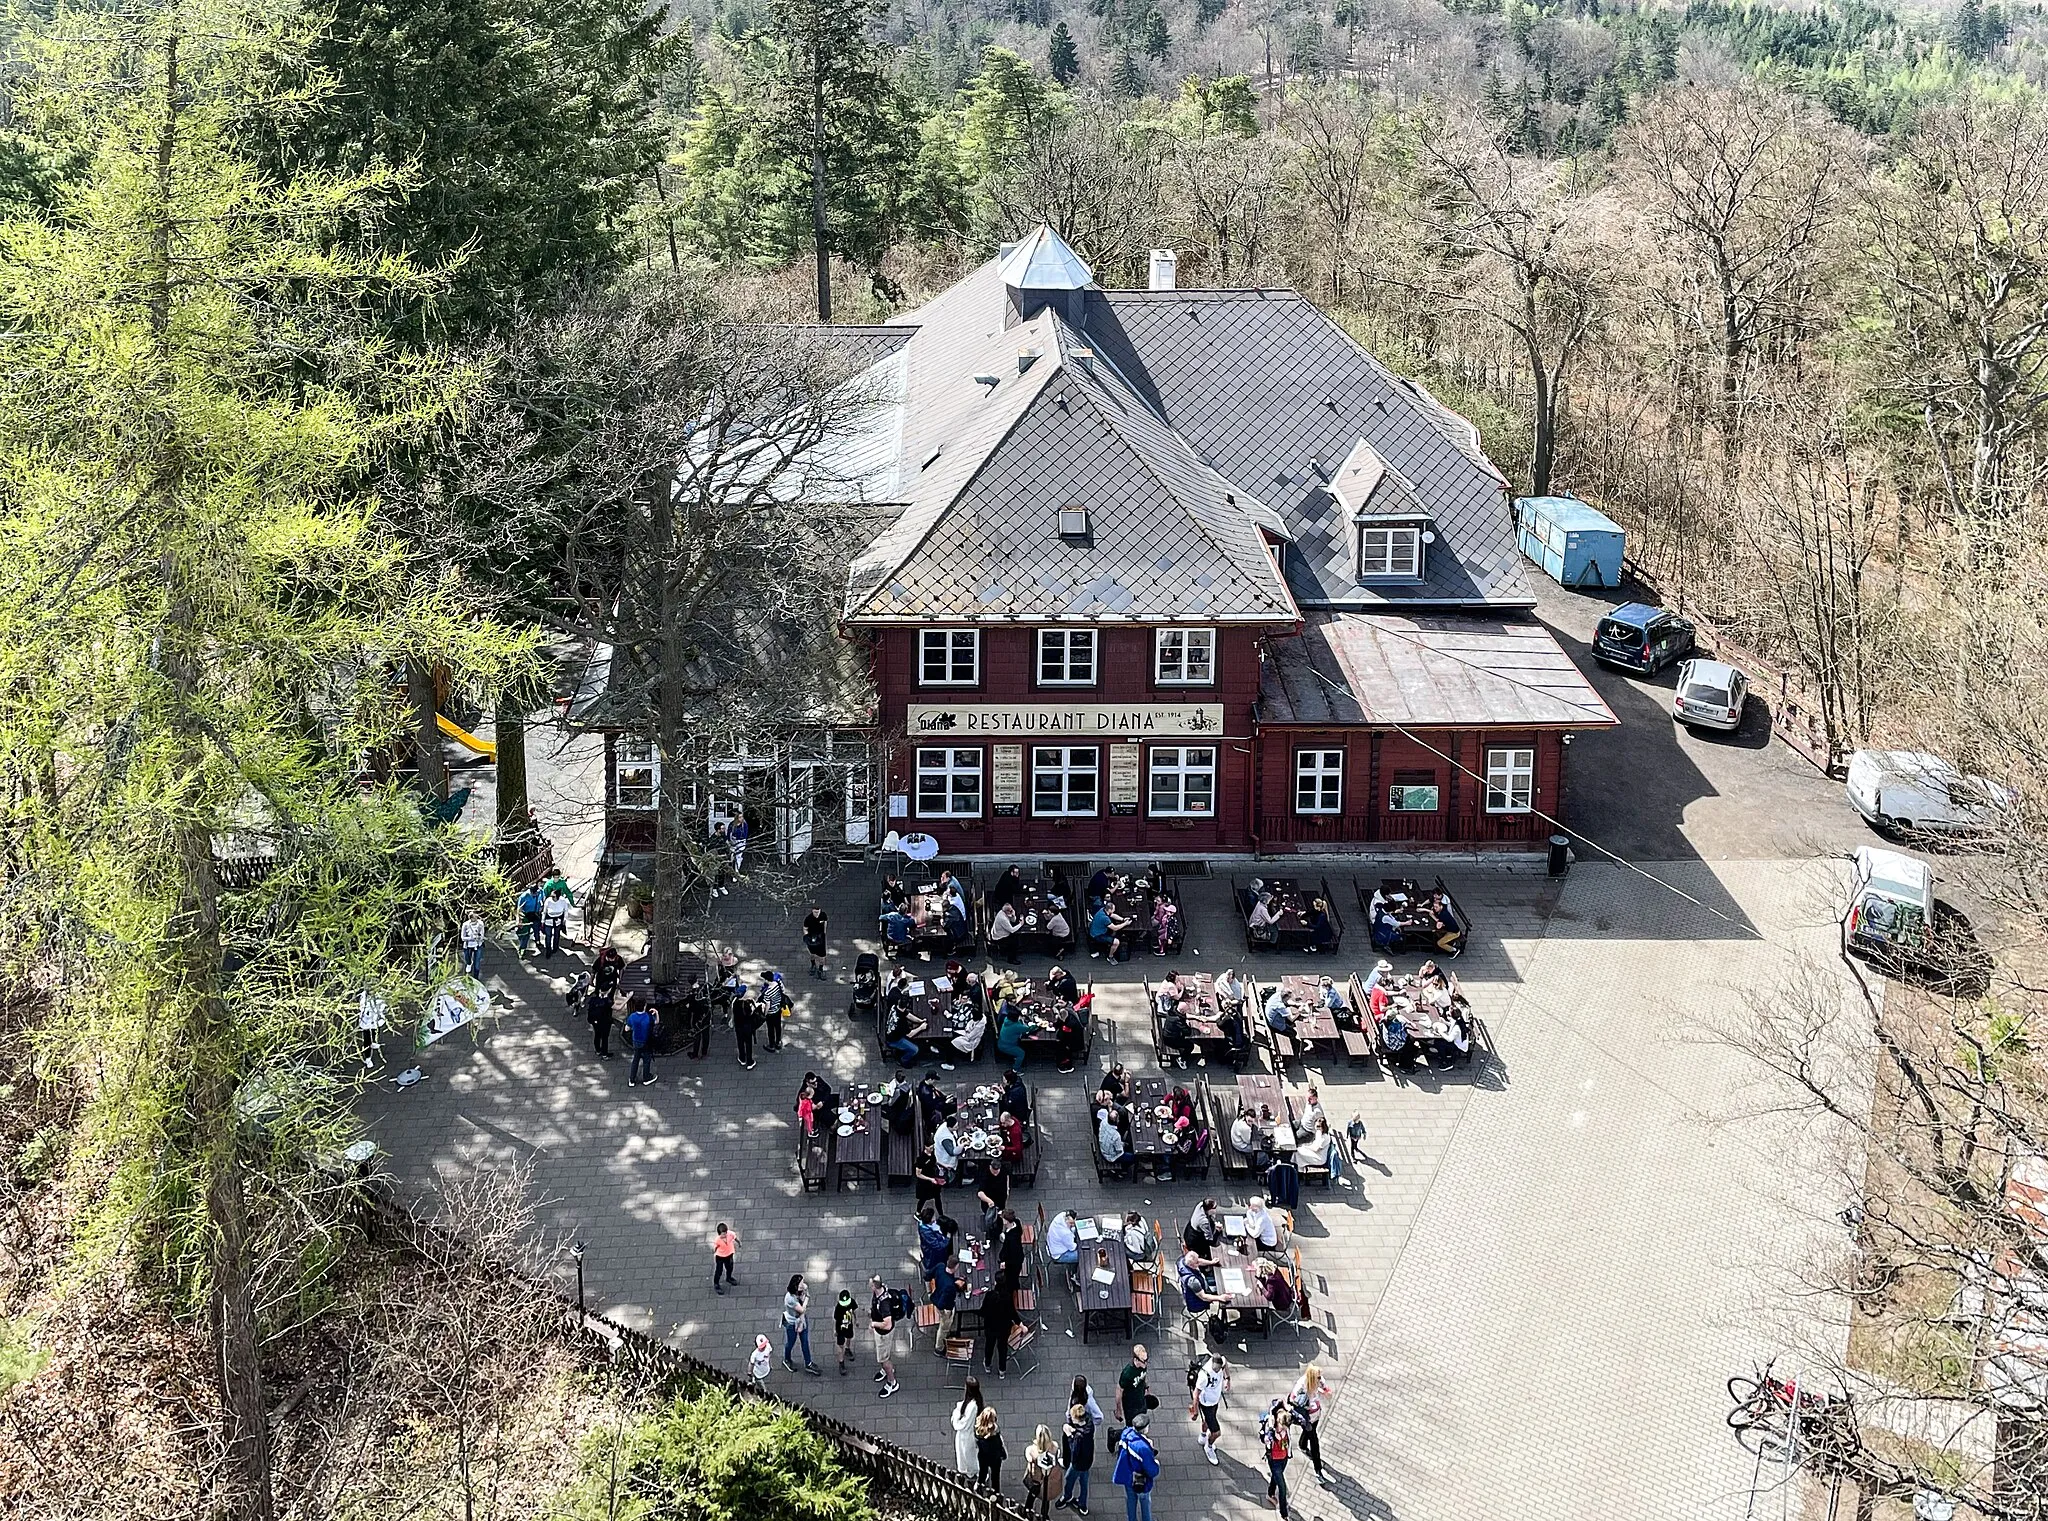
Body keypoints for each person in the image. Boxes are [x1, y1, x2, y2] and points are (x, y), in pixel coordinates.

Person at [1111, 1415, 1159, 1521]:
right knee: (1145, 1502)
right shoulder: (1143, 1448)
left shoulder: (1126, 1433)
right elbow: (1151, 1469)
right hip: (1140, 1479)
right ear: (1144, 1428)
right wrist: (1156, 1464)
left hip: (1128, 1476)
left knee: (1131, 1500)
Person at [1289, 1366, 1328, 1484]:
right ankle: (1318, 1470)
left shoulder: (1319, 1381)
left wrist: (1325, 1392)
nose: (1320, 1379)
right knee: (1314, 1441)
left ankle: (1302, 1445)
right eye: (1318, 1377)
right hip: (1307, 1418)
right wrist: (1302, 1406)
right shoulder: (1302, 1385)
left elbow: (1324, 1388)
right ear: (1312, 1378)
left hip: (1316, 1414)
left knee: (1309, 1432)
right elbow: (1292, 1398)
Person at [1189, 1354, 1228, 1466]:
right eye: (1216, 1369)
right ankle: (1209, 1447)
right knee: (1216, 1432)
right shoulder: (1204, 1375)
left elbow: (1226, 1365)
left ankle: (1202, 1435)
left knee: (1208, 1420)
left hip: (1215, 1401)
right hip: (1206, 1404)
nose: (1218, 1371)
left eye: (1219, 1369)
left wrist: (1227, 1379)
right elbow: (1196, 1394)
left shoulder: (1221, 1362)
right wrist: (1195, 1411)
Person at [1058, 1400, 1096, 1514]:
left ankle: (1067, 1496)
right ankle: (1082, 1504)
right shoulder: (1090, 1424)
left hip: (1078, 1463)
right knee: (1084, 1482)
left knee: (1069, 1479)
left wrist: (1070, 1435)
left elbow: (1074, 1453)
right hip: (1088, 1460)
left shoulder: (1078, 1438)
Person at [1259, 1401, 1294, 1519]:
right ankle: (1284, 1513)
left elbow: (1280, 1402)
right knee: (1283, 1487)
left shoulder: (1286, 1425)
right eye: (1285, 1426)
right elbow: (1266, 1441)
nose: (1286, 1428)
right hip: (1274, 1460)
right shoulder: (1272, 1430)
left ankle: (1270, 1494)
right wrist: (1269, 1436)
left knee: (1275, 1477)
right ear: (1279, 1422)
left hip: (1284, 1458)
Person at [868, 1275, 901, 1398]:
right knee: (883, 1357)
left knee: (884, 1359)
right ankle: (885, 1370)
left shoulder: (884, 1304)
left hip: (884, 1335)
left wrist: (873, 1324)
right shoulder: (879, 1292)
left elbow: (887, 1325)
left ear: (873, 1286)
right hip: (880, 1332)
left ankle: (892, 1382)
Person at [782, 1275, 822, 1374]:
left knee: (805, 1342)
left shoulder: (799, 1291)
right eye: (801, 1283)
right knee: (791, 1342)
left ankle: (808, 1363)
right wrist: (807, 1297)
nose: (803, 1285)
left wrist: (805, 1291)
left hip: (801, 1320)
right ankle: (787, 1359)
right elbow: (802, 1309)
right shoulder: (790, 1299)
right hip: (792, 1323)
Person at [981, 1270, 1016, 1377]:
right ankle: (1002, 1370)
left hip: (991, 1326)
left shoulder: (990, 1296)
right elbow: (1012, 1313)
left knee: (989, 1345)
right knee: (1002, 1348)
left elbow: (983, 1311)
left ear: (996, 1282)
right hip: (1004, 1328)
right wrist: (1020, 1323)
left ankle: (987, 1365)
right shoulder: (1007, 1297)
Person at [1025, 1424, 1061, 1517]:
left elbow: (1028, 1457)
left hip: (1036, 1478)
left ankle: (1027, 1510)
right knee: (1046, 1499)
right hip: (1051, 1478)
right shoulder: (1055, 1447)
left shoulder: (1032, 1450)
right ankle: (1044, 1515)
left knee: (1032, 1494)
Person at [1298, 1116, 1348, 1183]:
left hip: (1319, 1157)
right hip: (1316, 1153)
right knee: (1299, 1150)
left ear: (1323, 1127)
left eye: (1318, 1126)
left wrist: (1306, 1146)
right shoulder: (1320, 1132)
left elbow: (1316, 1149)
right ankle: (1300, 1170)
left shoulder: (1324, 1138)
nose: (1316, 1128)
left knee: (1299, 1152)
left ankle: (1299, 1172)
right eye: (1316, 1125)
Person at [953, 1377, 986, 1473]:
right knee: (969, 1454)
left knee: (968, 1455)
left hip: (967, 1436)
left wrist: (955, 1416)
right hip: (969, 1434)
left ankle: (971, 1472)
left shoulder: (972, 1407)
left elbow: (963, 1424)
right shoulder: (975, 1402)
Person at [1116, 1344, 1156, 1422]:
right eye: (1144, 1361)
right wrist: (1119, 1409)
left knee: (1142, 1419)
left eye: (1147, 1360)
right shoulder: (1127, 1373)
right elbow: (1119, 1390)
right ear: (1136, 1360)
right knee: (1132, 1423)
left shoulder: (1143, 1366)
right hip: (1130, 1404)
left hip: (1141, 1399)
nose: (1146, 1364)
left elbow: (1144, 1377)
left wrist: (1147, 1388)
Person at [625, 995, 656, 1086]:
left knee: (636, 1060)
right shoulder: (648, 1017)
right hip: (646, 1042)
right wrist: (656, 1013)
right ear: (645, 1006)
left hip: (635, 1041)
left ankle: (632, 1079)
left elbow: (627, 1028)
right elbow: (656, 1022)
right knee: (646, 1060)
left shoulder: (632, 1016)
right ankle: (646, 1078)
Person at [975, 1406, 1007, 1490]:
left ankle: (979, 1489)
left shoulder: (979, 1431)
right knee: (995, 1477)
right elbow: (1000, 1444)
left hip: (983, 1456)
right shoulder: (995, 1432)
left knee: (982, 1473)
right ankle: (995, 1495)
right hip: (995, 1458)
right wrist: (1003, 1454)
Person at [884, 1002, 923, 1067]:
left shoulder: (895, 1006)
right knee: (915, 1049)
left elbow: (908, 1015)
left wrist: (920, 1021)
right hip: (893, 1040)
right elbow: (909, 1035)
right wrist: (921, 1028)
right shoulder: (901, 1022)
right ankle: (903, 1060)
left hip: (891, 1033)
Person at [357, 989, 387, 1069]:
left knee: (374, 1031)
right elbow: (362, 1007)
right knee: (367, 1038)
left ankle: (373, 1043)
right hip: (366, 1019)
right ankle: (368, 1058)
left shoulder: (378, 994)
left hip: (375, 1018)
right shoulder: (363, 996)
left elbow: (382, 1004)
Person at [733, 993, 763, 1070]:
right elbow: (751, 1015)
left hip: (738, 1027)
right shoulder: (747, 1005)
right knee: (748, 1044)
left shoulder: (735, 1003)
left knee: (740, 1042)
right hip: (747, 1029)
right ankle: (750, 1062)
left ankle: (742, 1058)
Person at [539, 885, 571, 956]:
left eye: (553, 896)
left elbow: (566, 910)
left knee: (557, 935)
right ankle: (548, 950)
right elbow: (544, 911)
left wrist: (565, 920)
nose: (552, 898)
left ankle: (555, 948)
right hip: (548, 921)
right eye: (551, 896)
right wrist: (542, 922)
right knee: (548, 936)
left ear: (558, 896)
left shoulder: (563, 901)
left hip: (558, 921)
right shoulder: (548, 901)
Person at [1046, 1209, 1079, 1278]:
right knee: (1082, 1256)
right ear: (1066, 1220)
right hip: (1059, 1255)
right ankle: (1075, 1275)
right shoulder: (1065, 1233)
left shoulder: (1061, 1215)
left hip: (1052, 1246)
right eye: (1071, 1223)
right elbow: (1072, 1247)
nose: (1073, 1225)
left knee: (1075, 1230)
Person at [833, 1288, 858, 1374]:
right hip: (840, 1329)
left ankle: (847, 1349)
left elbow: (854, 1311)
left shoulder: (852, 1302)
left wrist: (856, 1320)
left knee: (849, 1338)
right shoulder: (838, 1308)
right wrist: (836, 1331)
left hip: (849, 1326)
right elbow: (836, 1320)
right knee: (840, 1346)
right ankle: (841, 1363)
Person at [1434, 891, 1466, 955]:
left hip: (1454, 933)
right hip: (1451, 929)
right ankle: (1451, 943)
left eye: (1436, 907)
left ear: (1441, 906)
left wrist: (1433, 916)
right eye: (1434, 907)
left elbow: (1438, 926)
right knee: (1437, 934)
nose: (1435, 909)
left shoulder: (1443, 915)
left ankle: (1454, 950)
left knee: (1439, 943)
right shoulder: (1443, 910)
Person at [802, 906, 829, 979]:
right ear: (812, 911)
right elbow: (805, 928)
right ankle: (813, 965)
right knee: (812, 954)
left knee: (822, 956)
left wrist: (824, 933)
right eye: (815, 912)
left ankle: (820, 969)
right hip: (811, 939)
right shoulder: (808, 919)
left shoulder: (823, 915)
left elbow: (825, 924)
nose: (816, 913)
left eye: (818, 912)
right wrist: (807, 938)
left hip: (820, 939)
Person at [712, 1222, 739, 1293]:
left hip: (729, 1254)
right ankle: (716, 1284)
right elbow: (715, 1247)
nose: (724, 1235)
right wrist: (715, 1253)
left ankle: (729, 1277)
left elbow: (735, 1237)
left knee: (730, 1267)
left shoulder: (730, 1234)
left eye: (725, 1233)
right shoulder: (717, 1240)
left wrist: (739, 1243)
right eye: (722, 1234)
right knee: (719, 1270)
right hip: (720, 1256)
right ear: (719, 1234)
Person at [515, 884, 543, 954]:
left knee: (537, 930)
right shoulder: (524, 896)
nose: (534, 894)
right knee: (525, 934)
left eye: (535, 893)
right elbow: (519, 909)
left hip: (536, 915)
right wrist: (519, 920)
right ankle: (522, 948)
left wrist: (541, 907)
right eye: (533, 893)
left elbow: (543, 900)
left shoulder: (541, 892)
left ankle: (537, 941)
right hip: (526, 916)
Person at [458, 912, 486, 979]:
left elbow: (482, 935)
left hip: (477, 945)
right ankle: (469, 963)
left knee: (477, 964)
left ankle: (476, 977)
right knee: (467, 958)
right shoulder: (465, 925)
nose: (475, 919)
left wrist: (478, 938)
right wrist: (471, 938)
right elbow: (462, 937)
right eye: (473, 918)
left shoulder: (480, 924)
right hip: (468, 945)